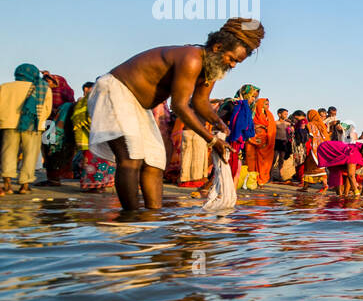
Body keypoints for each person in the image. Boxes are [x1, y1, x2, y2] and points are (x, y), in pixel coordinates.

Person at [86, 18, 264, 209]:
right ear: (217, 47)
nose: (234, 65)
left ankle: (153, 217)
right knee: (131, 157)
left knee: (155, 161)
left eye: (237, 62)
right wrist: (211, 140)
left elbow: (200, 102)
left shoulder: (212, 69)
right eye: (232, 59)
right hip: (116, 90)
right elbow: (179, 106)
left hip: (138, 105)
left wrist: (219, 123)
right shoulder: (192, 58)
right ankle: (132, 218)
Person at [0, 64, 54, 196]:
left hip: (9, 124)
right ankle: (24, 185)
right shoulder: (43, 89)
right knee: (30, 155)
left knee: (8, 153)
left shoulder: (5, 87)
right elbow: (47, 110)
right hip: (33, 125)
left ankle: (7, 185)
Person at [37, 72, 77, 186]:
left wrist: (59, 111)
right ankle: (52, 178)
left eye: (49, 81)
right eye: (46, 81)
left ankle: (58, 178)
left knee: (61, 151)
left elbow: (71, 105)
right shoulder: (43, 92)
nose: (47, 83)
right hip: (48, 123)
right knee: (48, 151)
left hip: (62, 126)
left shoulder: (65, 92)